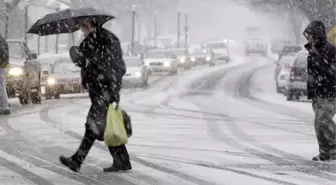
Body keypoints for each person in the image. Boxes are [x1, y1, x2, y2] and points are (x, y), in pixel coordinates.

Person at [59, 17, 131, 172]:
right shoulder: (91, 40)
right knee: (106, 126)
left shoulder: (106, 39)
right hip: (99, 90)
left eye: (81, 23)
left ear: (90, 22)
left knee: (92, 127)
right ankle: (122, 161)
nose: (79, 26)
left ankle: (77, 160)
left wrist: (112, 91)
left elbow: (116, 67)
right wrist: (77, 55)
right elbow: (85, 62)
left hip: (104, 91)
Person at [304, 20, 336, 161]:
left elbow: (332, 73)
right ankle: (325, 152)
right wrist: (311, 91)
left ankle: (334, 146)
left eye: (311, 35)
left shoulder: (332, 51)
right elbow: (311, 75)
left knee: (324, 120)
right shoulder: (311, 53)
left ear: (317, 36)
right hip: (317, 95)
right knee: (318, 124)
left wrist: (328, 83)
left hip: (330, 93)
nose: (309, 39)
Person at [0, 33, 10, 115]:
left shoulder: (1, 41)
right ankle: (4, 105)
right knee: (2, 87)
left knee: (1, 88)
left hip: (1, 67)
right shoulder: (3, 40)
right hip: (3, 66)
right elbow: (6, 55)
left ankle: (4, 105)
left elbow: (3, 54)